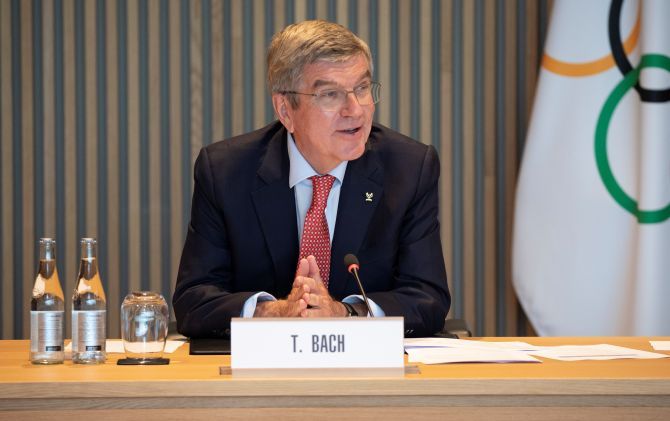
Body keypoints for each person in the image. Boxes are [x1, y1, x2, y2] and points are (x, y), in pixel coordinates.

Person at [173, 20, 450, 338]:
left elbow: (427, 299)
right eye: (331, 94)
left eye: (361, 88)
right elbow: (194, 302)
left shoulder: (409, 168)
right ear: (285, 110)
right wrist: (276, 312)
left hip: (371, 376)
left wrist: (343, 312)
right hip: (259, 377)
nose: (355, 110)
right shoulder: (225, 171)